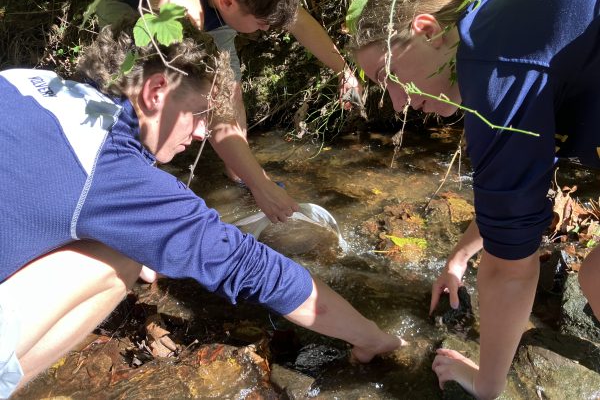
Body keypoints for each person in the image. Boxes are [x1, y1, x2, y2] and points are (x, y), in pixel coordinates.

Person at [0, 22, 403, 398]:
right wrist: (371, 337)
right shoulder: (108, 169)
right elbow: (251, 266)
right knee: (121, 256)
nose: (200, 133)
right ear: (157, 90)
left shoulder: (21, 80)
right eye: (199, 115)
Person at [352, 0, 599, 398]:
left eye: (388, 76)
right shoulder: (500, 19)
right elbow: (513, 198)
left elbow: (510, 269)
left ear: (426, 31)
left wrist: (485, 382)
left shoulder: (491, 69)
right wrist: (459, 259)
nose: (396, 102)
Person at [93, 0, 363, 224]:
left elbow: (299, 22)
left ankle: (238, 170)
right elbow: (211, 103)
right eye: (262, 24)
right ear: (227, 2)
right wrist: (262, 185)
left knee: (230, 90)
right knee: (143, 97)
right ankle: (133, 185)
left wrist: (344, 71)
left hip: (212, 3)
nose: (266, 31)